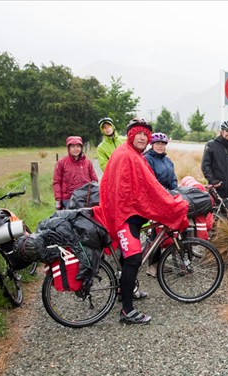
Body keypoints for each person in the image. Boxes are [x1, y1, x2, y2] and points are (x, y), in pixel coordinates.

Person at [93, 118, 189, 325]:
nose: (143, 137)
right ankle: (127, 311)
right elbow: (148, 189)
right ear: (130, 135)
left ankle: (123, 291)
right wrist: (170, 204)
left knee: (128, 259)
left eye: (146, 134)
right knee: (134, 259)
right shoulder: (129, 156)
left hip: (127, 215)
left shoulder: (132, 154)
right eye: (139, 133)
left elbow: (147, 186)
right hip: (124, 217)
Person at [143, 132, 178, 277]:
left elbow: (173, 178)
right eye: (157, 143)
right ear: (152, 144)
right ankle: (152, 265)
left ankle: (163, 261)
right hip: (153, 199)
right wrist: (163, 192)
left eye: (163, 144)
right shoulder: (147, 159)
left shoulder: (168, 161)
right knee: (154, 232)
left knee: (167, 230)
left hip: (167, 198)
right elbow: (150, 181)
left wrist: (175, 190)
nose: (160, 146)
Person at [53, 136, 98, 210]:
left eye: (78, 146)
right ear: (68, 148)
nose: (76, 149)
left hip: (85, 198)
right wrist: (58, 200)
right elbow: (57, 182)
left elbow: (94, 180)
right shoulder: (61, 163)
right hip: (68, 198)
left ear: (81, 148)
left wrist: (92, 194)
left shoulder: (88, 163)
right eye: (73, 146)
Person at [202, 120, 228, 199]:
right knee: (216, 210)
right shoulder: (211, 145)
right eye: (227, 131)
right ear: (222, 131)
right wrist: (212, 180)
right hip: (217, 187)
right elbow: (205, 165)